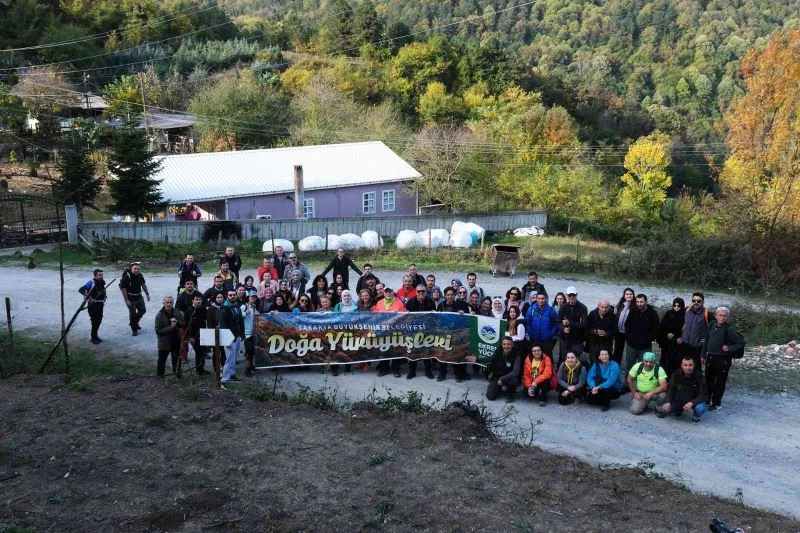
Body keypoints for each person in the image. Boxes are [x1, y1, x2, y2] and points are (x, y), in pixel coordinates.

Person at [703, 307, 745, 411]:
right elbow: (706, 340)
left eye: (724, 316)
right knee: (708, 380)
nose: (722, 317)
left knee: (720, 382)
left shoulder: (729, 329)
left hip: (723, 359)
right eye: (720, 315)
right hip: (711, 357)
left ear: (727, 317)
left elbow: (741, 342)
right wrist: (703, 355)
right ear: (716, 316)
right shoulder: (711, 325)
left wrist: (729, 348)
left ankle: (716, 403)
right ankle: (706, 400)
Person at [658, 355, 708, 423]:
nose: (688, 367)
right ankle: (679, 410)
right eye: (685, 365)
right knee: (664, 408)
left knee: (700, 408)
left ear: (694, 365)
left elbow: (704, 395)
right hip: (679, 399)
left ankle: (696, 416)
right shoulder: (676, 373)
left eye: (690, 365)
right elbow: (670, 389)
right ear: (681, 365)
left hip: (693, 400)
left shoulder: (700, 376)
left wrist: (691, 403)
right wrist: (667, 402)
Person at [435, 287, 470, 382]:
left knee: (456, 355)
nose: (450, 296)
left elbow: (467, 319)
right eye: (448, 295)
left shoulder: (460, 305)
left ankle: (457, 374)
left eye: (451, 294)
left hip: (456, 334)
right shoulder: (441, 305)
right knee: (442, 355)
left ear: (454, 295)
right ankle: (442, 374)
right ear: (445, 296)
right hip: (444, 333)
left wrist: (462, 314)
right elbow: (437, 320)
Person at [623, 294, 660, 375]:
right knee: (629, 366)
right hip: (631, 345)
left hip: (645, 346)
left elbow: (656, 329)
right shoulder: (633, 311)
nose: (639, 304)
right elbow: (627, 325)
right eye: (637, 302)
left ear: (645, 302)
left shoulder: (652, 313)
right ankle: (627, 385)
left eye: (641, 302)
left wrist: (649, 339)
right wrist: (629, 337)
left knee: (643, 367)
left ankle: (641, 385)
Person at [405, 284, 436, 379]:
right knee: (413, 352)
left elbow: (434, 317)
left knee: (427, 351)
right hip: (414, 330)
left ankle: (428, 371)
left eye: (423, 291)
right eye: (419, 291)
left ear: (426, 292)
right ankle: (412, 371)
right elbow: (406, 316)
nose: (421, 293)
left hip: (427, 330)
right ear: (416, 292)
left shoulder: (430, 302)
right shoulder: (410, 302)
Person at [556, 286, 588, 369]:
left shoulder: (583, 308)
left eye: (573, 295)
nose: (572, 297)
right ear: (567, 296)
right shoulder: (563, 307)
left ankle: (575, 378)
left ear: (577, 295)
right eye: (570, 295)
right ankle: (562, 378)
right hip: (565, 338)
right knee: (564, 359)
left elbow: (584, 325)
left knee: (574, 360)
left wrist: (569, 323)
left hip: (577, 339)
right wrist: (563, 328)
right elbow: (558, 322)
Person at [154, 296, 185, 378]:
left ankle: (177, 373)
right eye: (167, 302)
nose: (169, 304)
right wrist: (171, 327)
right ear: (163, 303)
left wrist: (177, 322)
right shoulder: (159, 315)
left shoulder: (177, 312)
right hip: (164, 342)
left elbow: (183, 324)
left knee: (177, 359)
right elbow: (158, 331)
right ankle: (160, 375)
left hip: (176, 340)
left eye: (171, 302)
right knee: (162, 360)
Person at [679, 292, 710, 368]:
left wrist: (707, 339)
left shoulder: (707, 314)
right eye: (694, 300)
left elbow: (714, 328)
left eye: (699, 301)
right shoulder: (687, 310)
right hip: (684, 344)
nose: (696, 303)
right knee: (684, 366)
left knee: (696, 367)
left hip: (697, 347)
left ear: (703, 302)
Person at [119, 262, 150, 336]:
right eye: (135, 269)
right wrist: (126, 300)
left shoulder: (140, 275)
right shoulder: (127, 277)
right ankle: (134, 330)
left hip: (139, 297)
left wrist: (147, 294)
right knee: (132, 314)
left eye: (138, 269)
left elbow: (143, 284)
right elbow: (123, 289)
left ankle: (134, 322)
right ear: (131, 269)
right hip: (130, 298)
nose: (136, 270)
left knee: (142, 310)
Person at [658, 297, 686, 378]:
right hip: (667, 343)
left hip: (677, 345)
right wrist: (667, 334)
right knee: (664, 361)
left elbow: (684, 330)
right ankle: (662, 380)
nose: (676, 308)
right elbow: (662, 327)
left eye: (679, 306)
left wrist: (679, 337)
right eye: (675, 306)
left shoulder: (684, 316)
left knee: (674, 363)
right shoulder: (669, 313)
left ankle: (672, 381)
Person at [486, 338, 520, 402]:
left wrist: (502, 378)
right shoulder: (498, 351)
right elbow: (490, 359)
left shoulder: (517, 355)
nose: (506, 346)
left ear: (512, 345)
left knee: (514, 381)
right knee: (490, 396)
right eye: (504, 344)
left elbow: (516, 372)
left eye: (508, 344)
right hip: (496, 377)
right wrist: (476, 359)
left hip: (508, 378)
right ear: (502, 345)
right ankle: (500, 388)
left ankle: (509, 393)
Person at [78, 268, 107, 344]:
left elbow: (103, 291)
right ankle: (93, 338)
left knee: (99, 320)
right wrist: (88, 296)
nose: (101, 276)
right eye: (99, 275)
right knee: (95, 321)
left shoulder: (102, 282)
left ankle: (95, 336)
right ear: (95, 275)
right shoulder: (91, 282)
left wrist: (105, 296)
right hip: (93, 305)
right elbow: (81, 289)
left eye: (102, 275)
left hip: (100, 305)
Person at [221, 290, 244, 383]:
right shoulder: (224, 309)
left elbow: (240, 321)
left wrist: (242, 334)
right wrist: (227, 339)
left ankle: (232, 374)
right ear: (227, 296)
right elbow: (223, 325)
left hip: (237, 335)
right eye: (230, 295)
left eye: (234, 295)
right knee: (230, 359)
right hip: (229, 337)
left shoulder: (237, 306)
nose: (232, 297)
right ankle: (225, 379)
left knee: (234, 358)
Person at [586, 299, 617, 366]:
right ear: (598, 306)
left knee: (605, 360)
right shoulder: (592, 314)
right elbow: (586, 327)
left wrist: (606, 333)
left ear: (609, 307)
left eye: (606, 307)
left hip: (607, 342)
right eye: (602, 307)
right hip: (594, 342)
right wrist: (594, 331)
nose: (604, 309)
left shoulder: (613, 316)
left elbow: (615, 331)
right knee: (593, 360)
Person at [185, 293, 209, 375]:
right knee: (199, 352)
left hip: (203, 334)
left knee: (202, 352)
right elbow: (186, 326)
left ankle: (201, 367)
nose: (198, 301)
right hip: (193, 336)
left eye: (200, 300)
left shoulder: (204, 310)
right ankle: (199, 369)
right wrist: (190, 337)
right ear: (193, 301)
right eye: (196, 300)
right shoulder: (189, 311)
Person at [613, 287, 635, 364]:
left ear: (633, 295)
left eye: (630, 294)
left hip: (629, 333)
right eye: (627, 294)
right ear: (624, 296)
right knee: (617, 350)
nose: (629, 296)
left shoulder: (635, 306)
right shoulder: (620, 305)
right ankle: (616, 366)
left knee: (630, 351)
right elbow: (615, 317)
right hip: (619, 332)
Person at [242, 292, 260, 377]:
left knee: (252, 350)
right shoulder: (244, 306)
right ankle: (247, 370)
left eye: (255, 297)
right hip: (247, 333)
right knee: (249, 351)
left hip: (254, 333)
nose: (253, 299)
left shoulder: (254, 307)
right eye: (252, 297)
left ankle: (251, 365)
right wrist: (245, 313)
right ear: (248, 298)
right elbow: (239, 316)